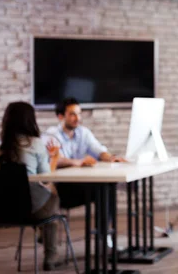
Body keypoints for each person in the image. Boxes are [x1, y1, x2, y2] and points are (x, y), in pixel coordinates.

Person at [0, 102, 64, 271]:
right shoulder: (35, 144)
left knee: (43, 201)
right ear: (30, 121)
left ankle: (42, 233)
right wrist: (54, 158)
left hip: (2, 209)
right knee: (53, 197)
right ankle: (50, 256)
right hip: (31, 209)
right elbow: (45, 178)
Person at [44, 97, 125, 248]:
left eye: (79, 114)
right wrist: (77, 162)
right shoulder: (52, 134)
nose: (77, 118)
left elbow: (99, 151)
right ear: (61, 116)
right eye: (72, 114)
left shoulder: (83, 133)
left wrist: (110, 158)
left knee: (107, 189)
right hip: (61, 190)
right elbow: (56, 161)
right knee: (101, 190)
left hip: (81, 186)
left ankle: (105, 238)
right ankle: (103, 239)